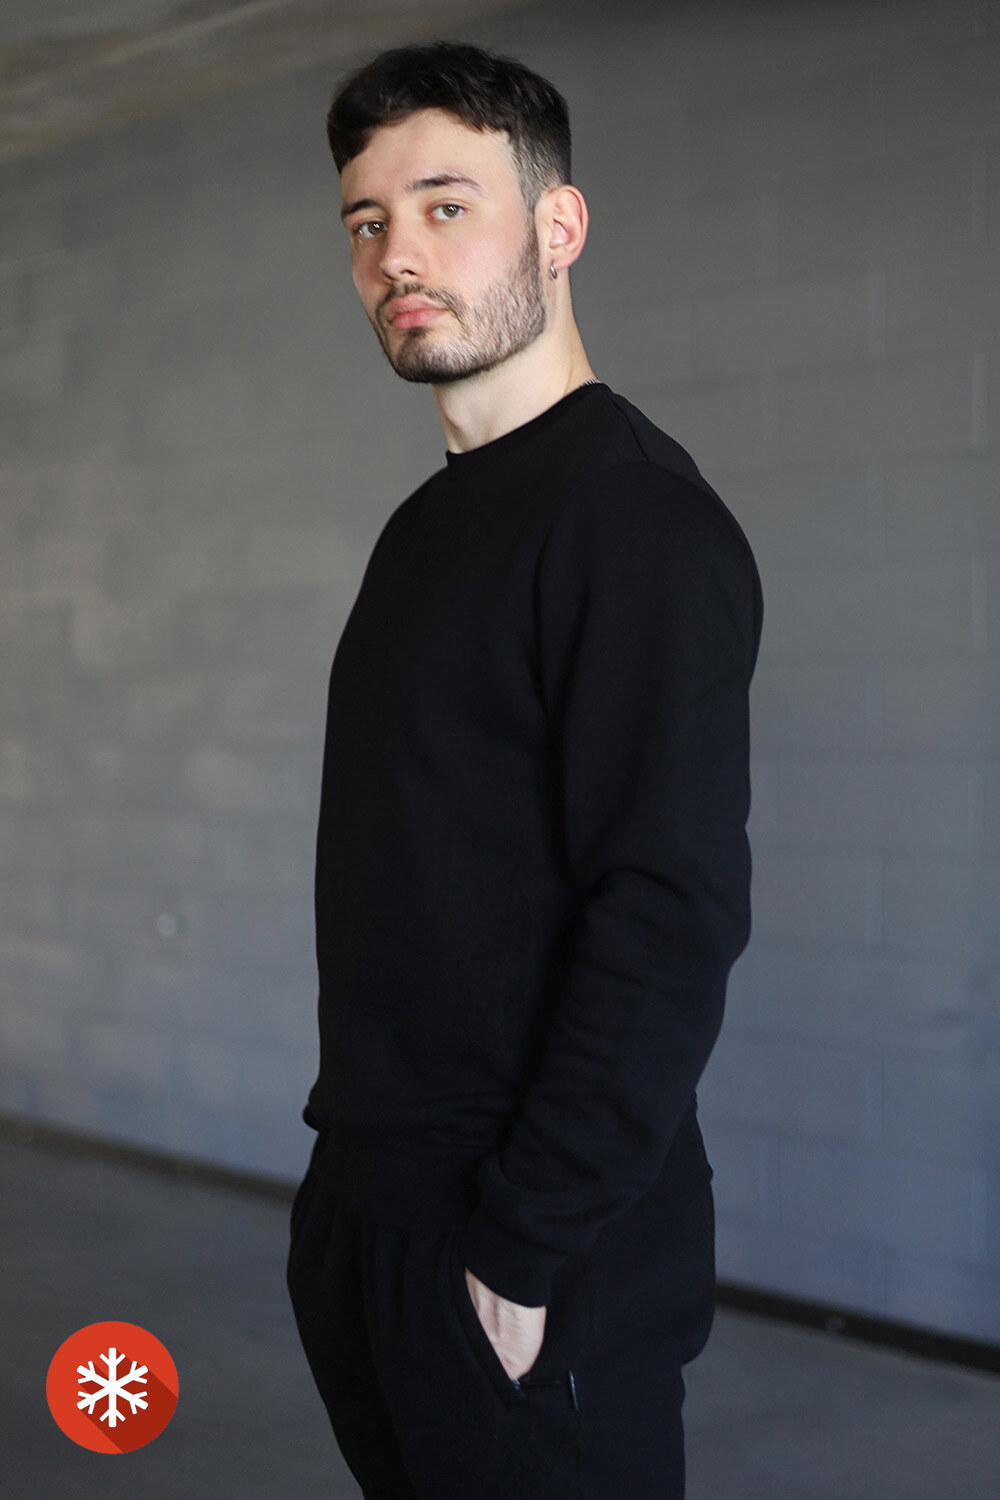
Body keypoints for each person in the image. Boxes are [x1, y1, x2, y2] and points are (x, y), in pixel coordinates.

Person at [286, 39, 763, 1500]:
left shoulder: (633, 520)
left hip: (528, 1252)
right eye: (367, 221)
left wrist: (522, 1246)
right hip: (378, 1206)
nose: (397, 254)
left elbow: (668, 916)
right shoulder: (428, 528)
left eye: (447, 206)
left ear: (559, 227)